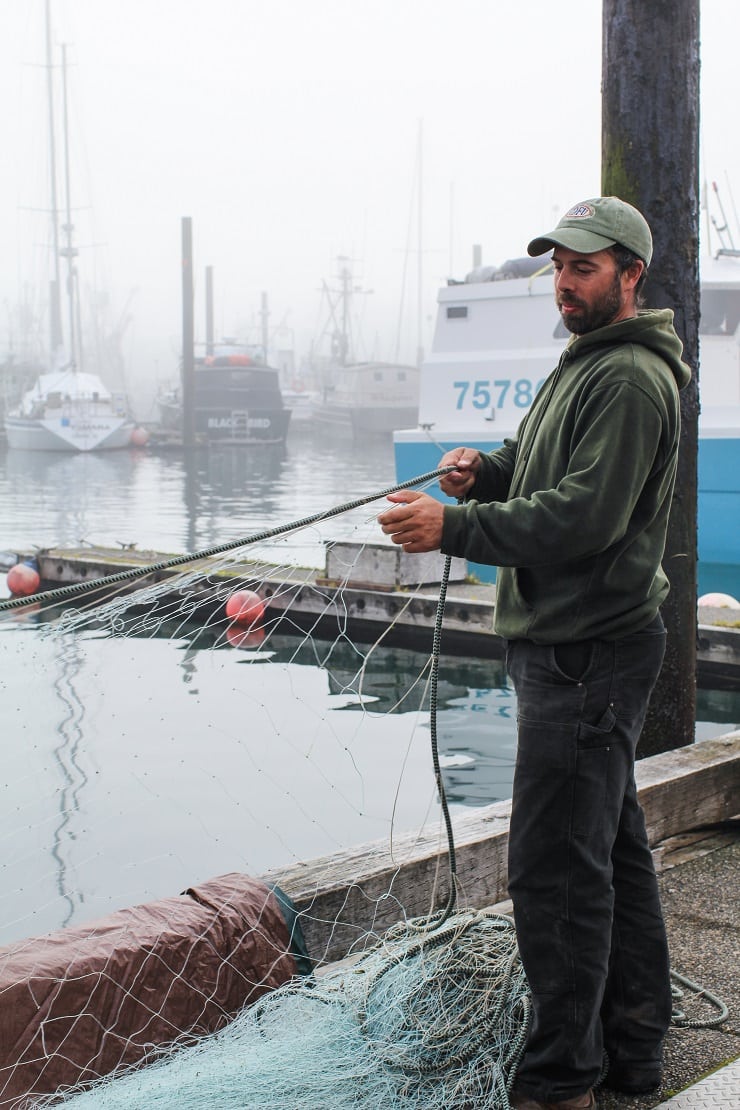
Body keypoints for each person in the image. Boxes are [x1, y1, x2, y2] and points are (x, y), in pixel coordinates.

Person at [378, 196, 692, 1110]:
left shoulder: (628, 376)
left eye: (583, 267)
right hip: (578, 645)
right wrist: (487, 473)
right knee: (609, 856)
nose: (564, 282)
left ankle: (560, 1084)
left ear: (631, 275)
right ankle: (632, 1047)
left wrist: (454, 526)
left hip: (587, 651)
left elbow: (586, 519)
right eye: (558, 265)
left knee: (553, 871)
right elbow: (537, 468)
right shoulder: (586, 359)